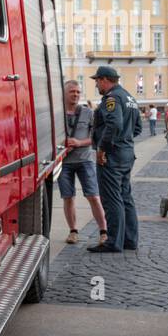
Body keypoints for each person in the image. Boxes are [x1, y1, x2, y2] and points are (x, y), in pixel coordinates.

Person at [87, 65, 139, 254]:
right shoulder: (129, 97)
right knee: (125, 197)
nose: (96, 85)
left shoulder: (111, 98)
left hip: (112, 155)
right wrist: (124, 140)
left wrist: (102, 148)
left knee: (112, 198)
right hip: (126, 153)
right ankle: (130, 240)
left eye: (97, 81)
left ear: (104, 80)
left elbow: (114, 123)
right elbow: (137, 128)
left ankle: (113, 242)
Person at [59, 80, 108, 246]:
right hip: (64, 162)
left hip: (85, 160)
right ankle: (73, 231)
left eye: (78, 92)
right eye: (72, 91)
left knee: (93, 196)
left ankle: (103, 232)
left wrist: (79, 143)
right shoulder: (57, 113)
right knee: (68, 197)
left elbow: (96, 138)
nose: (75, 94)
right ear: (64, 93)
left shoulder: (88, 113)